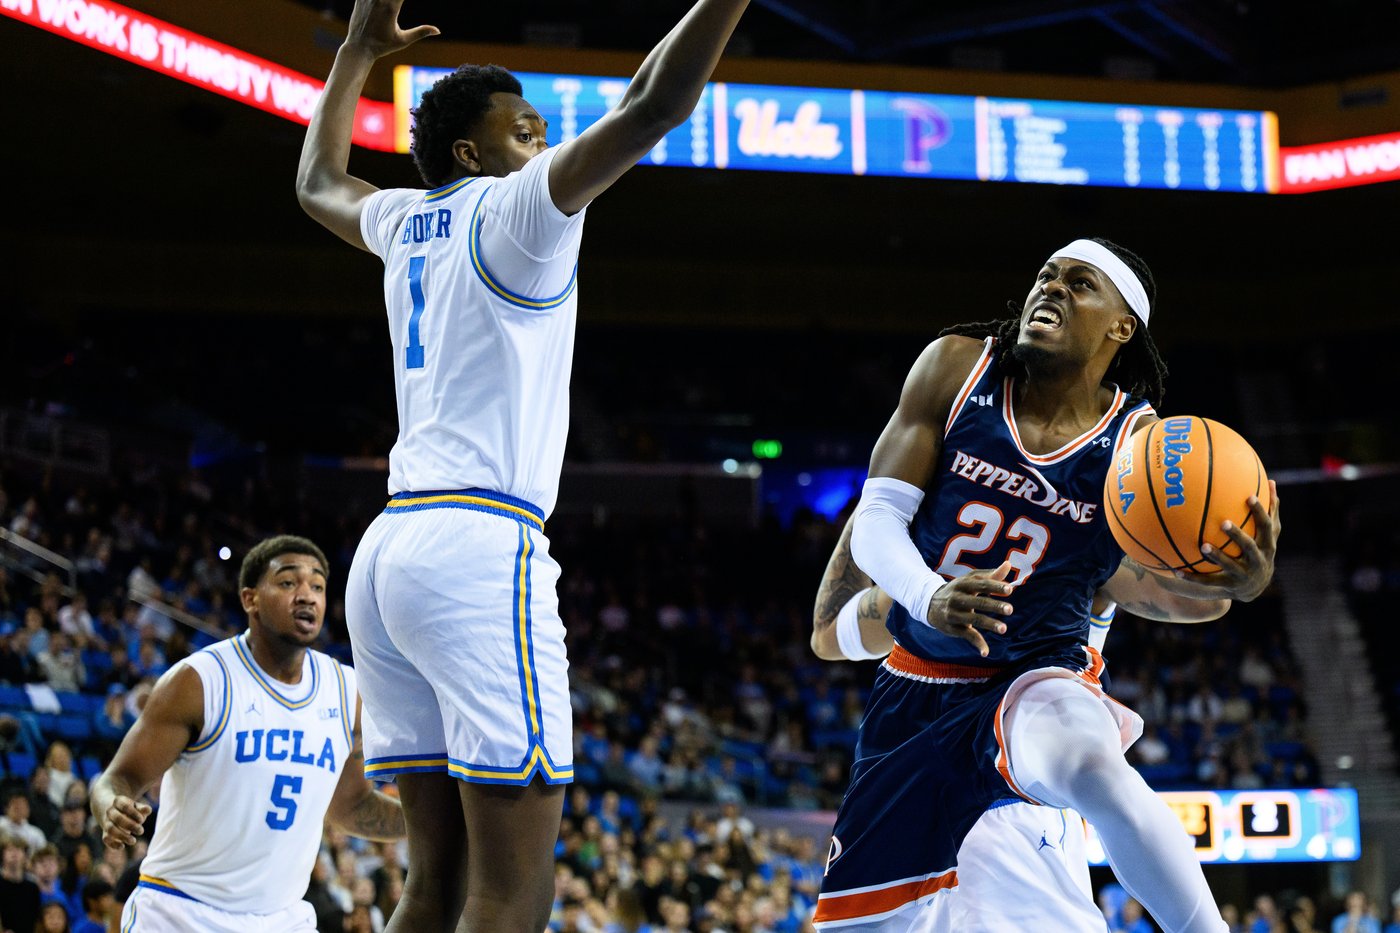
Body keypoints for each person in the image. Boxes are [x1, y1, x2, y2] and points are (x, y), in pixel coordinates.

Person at [296, 0, 752, 930]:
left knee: (437, 879)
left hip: (388, 554)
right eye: (525, 128)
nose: (545, 141)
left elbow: (315, 181)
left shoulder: (399, 220)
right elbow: (656, 106)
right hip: (478, 547)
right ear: (472, 153)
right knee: (514, 889)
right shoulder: (522, 207)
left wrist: (352, 54)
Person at [813, 238, 1280, 932]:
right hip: (913, 692)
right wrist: (927, 595)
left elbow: (1155, 589)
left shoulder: (1140, 447)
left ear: (1123, 327)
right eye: (1046, 275)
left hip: (1034, 678)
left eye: (1080, 284)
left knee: (1092, 764)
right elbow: (877, 519)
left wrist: (1239, 585)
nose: (1052, 289)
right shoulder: (956, 367)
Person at [811, 513, 1117, 932]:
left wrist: (878, 501)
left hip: (929, 808)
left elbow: (826, 633)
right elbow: (1197, 598)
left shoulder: (915, 596)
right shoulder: (1081, 563)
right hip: (1022, 806)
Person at [90, 535, 405, 933]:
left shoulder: (346, 691)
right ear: (250, 599)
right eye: (289, 583)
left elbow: (352, 807)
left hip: (282, 918)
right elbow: (117, 779)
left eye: (318, 586)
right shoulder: (199, 682)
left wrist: (436, 825)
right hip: (181, 913)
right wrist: (112, 807)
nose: (307, 595)